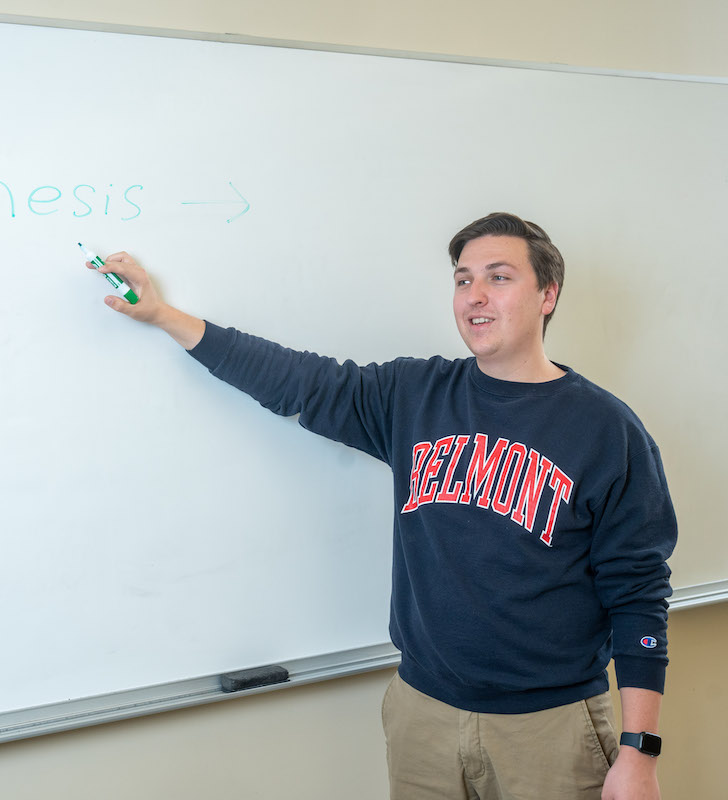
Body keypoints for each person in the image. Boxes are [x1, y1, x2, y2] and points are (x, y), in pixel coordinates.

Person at [89, 212, 677, 800]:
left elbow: (639, 594)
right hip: (422, 714)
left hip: (550, 727)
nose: (474, 296)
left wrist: (639, 752)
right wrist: (163, 315)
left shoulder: (606, 430)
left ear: (547, 294)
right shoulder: (414, 397)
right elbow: (298, 381)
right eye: (462, 278)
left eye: (499, 278)